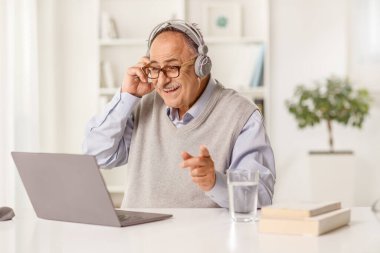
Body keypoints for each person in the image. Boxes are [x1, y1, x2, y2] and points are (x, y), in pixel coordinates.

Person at [83, 20, 276, 208]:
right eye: (155, 68)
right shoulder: (142, 104)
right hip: (138, 238)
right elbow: (95, 155)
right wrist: (127, 95)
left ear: (202, 66)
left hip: (204, 239)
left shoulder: (241, 115)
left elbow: (261, 196)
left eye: (172, 67)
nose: (162, 80)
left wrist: (214, 182)